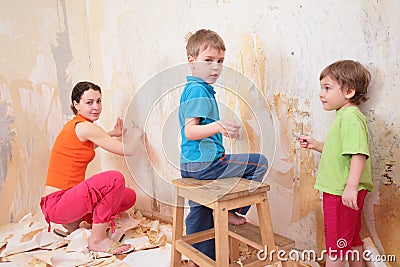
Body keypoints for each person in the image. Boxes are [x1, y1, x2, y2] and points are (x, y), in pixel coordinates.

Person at [179, 29, 268, 265]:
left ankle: (199, 259)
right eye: (208, 61)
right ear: (192, 61)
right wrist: (218, 126)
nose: (215, 67)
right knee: (259, 162)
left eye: (220, 61)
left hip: (189, 166)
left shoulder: (194, 88)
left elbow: (196, 132)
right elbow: (190, 131)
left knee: (200, 211)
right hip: (206, 165)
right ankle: (233, 211)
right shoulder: (199, 89)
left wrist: (220, 129)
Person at [40, 81, 143, 255]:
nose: (96, 107)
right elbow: (129, 150)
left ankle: (73, 222)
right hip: (56, 203)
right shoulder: (84, 127)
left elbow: (90, 146)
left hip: (65, 201)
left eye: (99, 101)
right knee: (114, 179)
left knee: (128, 197)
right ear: (76, 105)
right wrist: (138, 135)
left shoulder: (79, 127)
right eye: (89, 102)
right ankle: (98, 240)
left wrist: (112, 134)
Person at [298, 60, 374, 267]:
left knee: (336, 246)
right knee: (350, 239)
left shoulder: (350, 118)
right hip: (344, 189)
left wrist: (350, 187)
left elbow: (359, 154)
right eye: (321, 88)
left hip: (341, 191)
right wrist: (317, 145)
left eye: (327, 88)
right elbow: (343, 152)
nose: (321, 94)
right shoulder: (345, 116)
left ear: (349, 91)